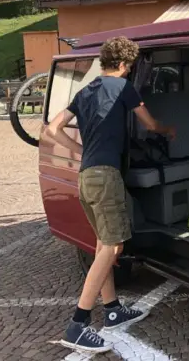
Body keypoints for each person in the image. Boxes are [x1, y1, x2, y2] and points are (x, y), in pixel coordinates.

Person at [46, 36, 175, 353]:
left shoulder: (86, 90)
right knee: (113, 246)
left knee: (104, 243)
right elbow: (148, 123)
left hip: (86, 177)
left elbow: (51, 129)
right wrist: (167, 130)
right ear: (126, 65)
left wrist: (81, 149)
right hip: (106, 178)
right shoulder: (124, 88)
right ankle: (78, 324)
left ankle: (113, 309)